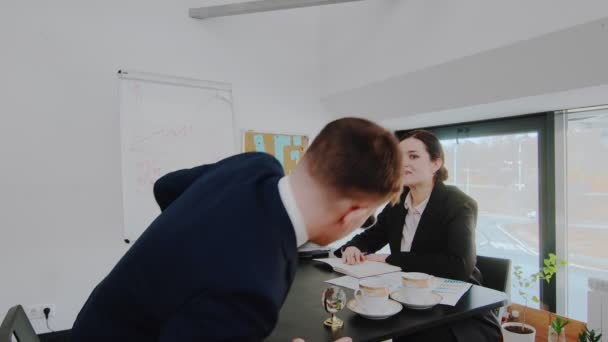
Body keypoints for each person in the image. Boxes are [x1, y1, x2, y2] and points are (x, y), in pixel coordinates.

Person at [70, 118, 404, 341]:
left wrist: (188, 247)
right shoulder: (252, 288)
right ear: (353, 213)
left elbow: (166, 186)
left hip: (97, 320)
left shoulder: (255, 164)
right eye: (369, 218)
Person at [336, 129, 501, 342]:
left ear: (436, 163)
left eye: (413, 156)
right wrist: (354, 247)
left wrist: (389, 258)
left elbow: (458, 266)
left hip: (454, 311)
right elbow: (372, 236)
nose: (403, 163)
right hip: (408, 300)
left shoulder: (459, 204)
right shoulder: (398, 202)